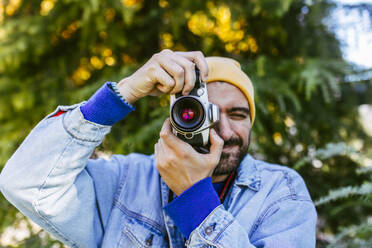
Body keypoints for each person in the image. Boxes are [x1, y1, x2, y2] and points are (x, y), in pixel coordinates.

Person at [0, 50, 317, 248]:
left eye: (237, 114)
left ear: (251, 122)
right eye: (206, 112)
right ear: (179, 118)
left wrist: (195, 198)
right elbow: (25, 183)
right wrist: (123, 92)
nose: (222, 129)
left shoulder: (282, 192)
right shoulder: (126, 179)